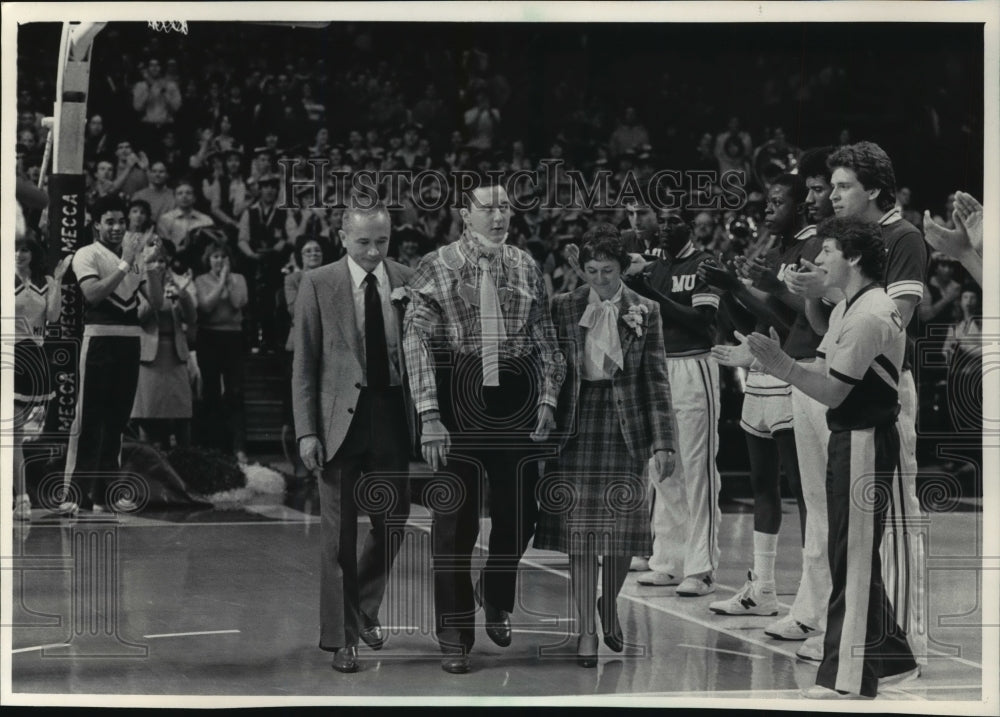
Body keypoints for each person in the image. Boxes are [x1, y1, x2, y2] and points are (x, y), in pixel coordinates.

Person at [734, 216, 918, 699]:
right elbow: (821, 346)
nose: (819, 259)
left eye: (829, 250)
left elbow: (834, 392)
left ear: (853, 257)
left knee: (852, 560)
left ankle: (849, 677)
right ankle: (893, 655)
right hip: (850, 437)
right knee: (848, 554)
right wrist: (767, 360)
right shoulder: (852, 304)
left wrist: (783, 366)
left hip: (863, 437)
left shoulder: (868, 314)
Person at [403, 178, 562, 674]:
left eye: (505, 209)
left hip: (515, 398)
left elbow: (546, 337)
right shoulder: (438, 265)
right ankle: (454, 634)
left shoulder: (525, 265)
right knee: (455, 524)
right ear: (463, 213)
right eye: (487, 209)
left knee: (521, 514)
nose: (498, 218)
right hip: (457, 397)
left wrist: (548, 398)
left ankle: (495, 592)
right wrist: (429, 415)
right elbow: (416, 341)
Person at [534, 225, 674, 667]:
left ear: (623, 265)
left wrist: (664, 441)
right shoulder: (563, 306)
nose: (598, 278)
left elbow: (656, 378)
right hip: (576, 427)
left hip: (625, 426)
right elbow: (550, 365)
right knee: (580, 536)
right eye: (590, 270)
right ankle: (585, 632)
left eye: (607, 270)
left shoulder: (646, 309)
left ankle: (607, 604)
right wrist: (546, 410)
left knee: (621, 536)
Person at [292, 202, 414, 674]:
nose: (372, 251)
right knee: (337, 538)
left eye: (381, 241)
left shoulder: (407, 277)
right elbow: (304, 364)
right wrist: (306, 431)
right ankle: (342, 638)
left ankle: (363, 607)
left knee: (393, 521)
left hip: (391, 416)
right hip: (335, 423)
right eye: (363, 241)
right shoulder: (317, 283)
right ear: (342, 237)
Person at [700, 174, 812, 618]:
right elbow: (754, 319)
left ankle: (811, 592)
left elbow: (792, 327)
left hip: (790, 376)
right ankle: (762, 588)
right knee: (763, 486)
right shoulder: (779, 250)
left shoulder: (809, 248)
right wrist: (724, 292)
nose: (767, 209)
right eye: (767, 201)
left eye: (778, 202)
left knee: (802, 491)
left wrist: (742, 288)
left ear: (800, 206)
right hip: (761, 376)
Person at [623, 216, 722, 597]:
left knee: (698, 470)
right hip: (658, 366)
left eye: (673, 221)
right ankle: (667, 559)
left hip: (695, 364)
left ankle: (701, 567)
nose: (664, 228)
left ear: (691, 226)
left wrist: (653, 296)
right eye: (659, 222)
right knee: (661, 468)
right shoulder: (653, 266)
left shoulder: (703, 264)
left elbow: (703, 323)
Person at [61, 196, 164, 514]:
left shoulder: (135, 256)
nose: (118, 227)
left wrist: (154, 265)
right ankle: (75, 495)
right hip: (98, 343)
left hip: (130, 343)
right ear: (96, 224)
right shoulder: (86, 254)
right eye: (110, 221)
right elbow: (92, 294)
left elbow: (155, 303)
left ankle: (107, 493)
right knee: (90, 418)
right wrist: (125, 262)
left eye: (121, 221)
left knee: (118, 421)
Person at [13, 237, 70, 519]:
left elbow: (54, 316)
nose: (18, 254)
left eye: (24, 249)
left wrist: (57, 281)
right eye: (14, 248)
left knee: (21, 436)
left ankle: (24, 499)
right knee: (11, 436)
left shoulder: (45, 280)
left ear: (33, 253)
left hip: (34, 358)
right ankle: (22, 499)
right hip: (8, 355)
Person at [131, 239, 198, 451]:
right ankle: (147, 464)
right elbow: (139, 317)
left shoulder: (177, 282)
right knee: (147, 413)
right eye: (155, 261)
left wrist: (183, 295)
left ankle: (185, 461)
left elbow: (192, 317)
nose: (159, 265)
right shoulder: (137, 283)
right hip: (148, 356)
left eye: (162, 261)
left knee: (182, 414)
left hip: (175, 354)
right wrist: (156, 292)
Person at [194, 240, 249, 464]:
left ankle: (238, 447)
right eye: (215, 256)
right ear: (208, 260)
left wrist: (228, 281)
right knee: (211, 391)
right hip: (209, 337)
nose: (219, 260)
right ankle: (212, 446)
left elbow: (238, 303)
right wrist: (221, 283)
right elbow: (206, 306)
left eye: (223, 256)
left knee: (235, 391)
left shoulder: (240, 279)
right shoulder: (200, 280)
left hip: (234, 338)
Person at [282, 235, 329, 477]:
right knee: (298, 406)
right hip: (299, 343)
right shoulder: (293, 279)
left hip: (327, 345)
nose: (313, 254)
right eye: (308, 251)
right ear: (300, 256)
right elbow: (294, 308)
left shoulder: (332, 277)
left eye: (317, 250)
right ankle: (300, 467)